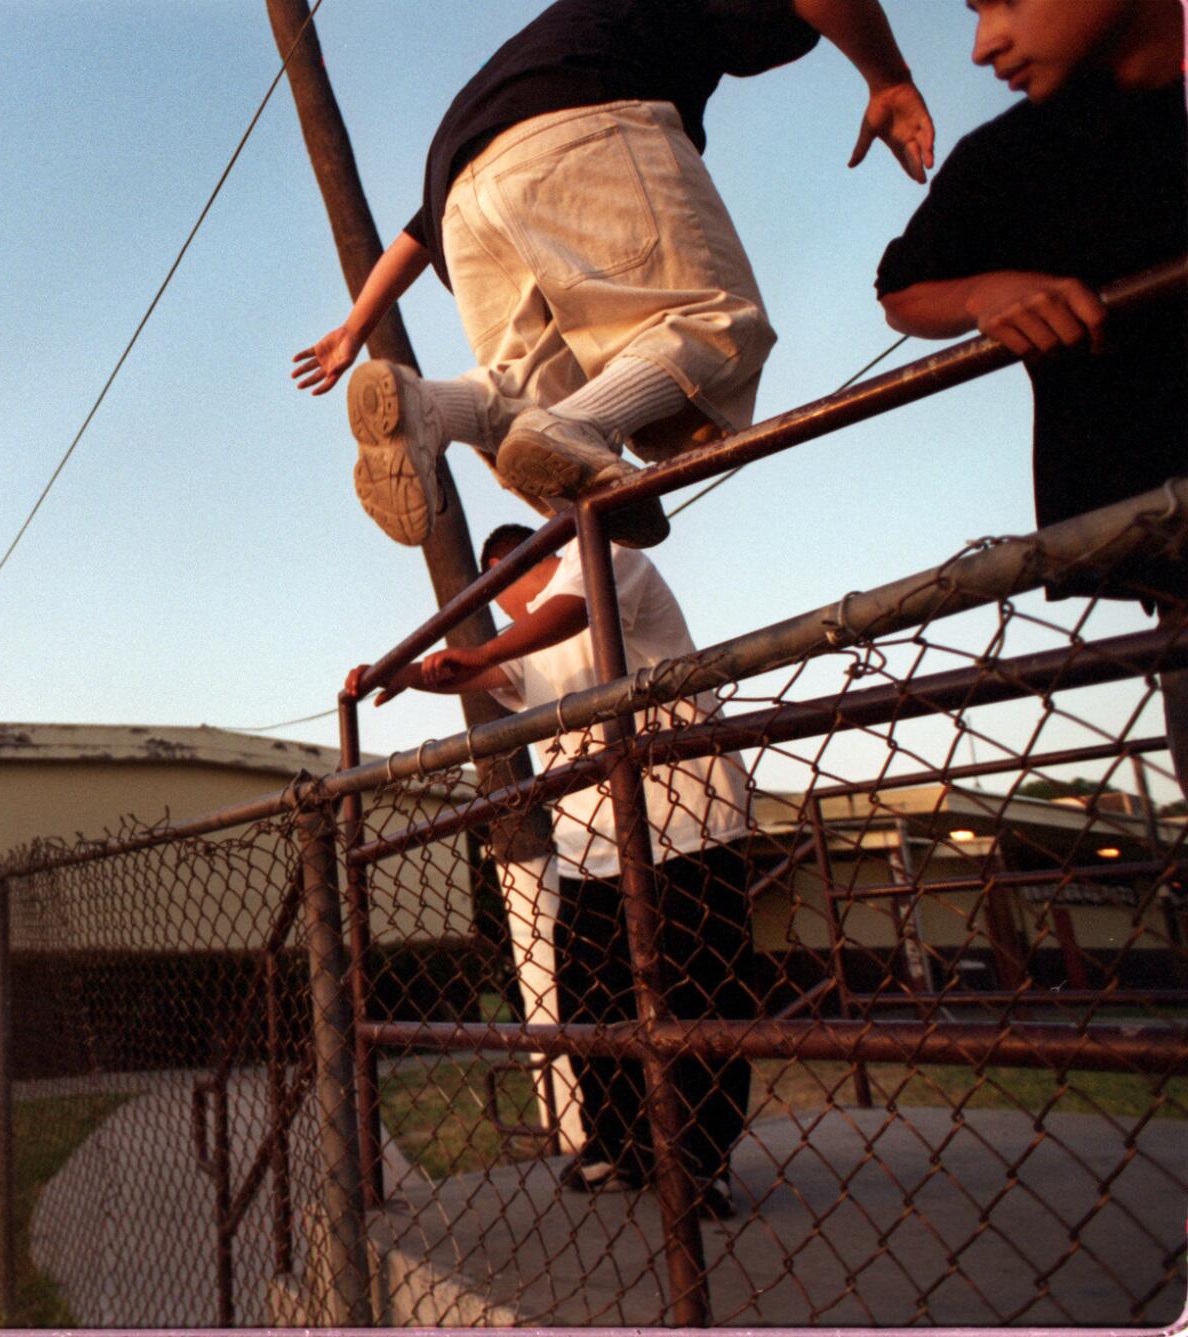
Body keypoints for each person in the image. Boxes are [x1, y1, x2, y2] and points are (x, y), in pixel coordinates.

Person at [295, 0, 934, 550]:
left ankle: (427, 406)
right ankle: (582, 427)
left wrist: (355, 327)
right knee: (713, 322)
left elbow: (417, 232)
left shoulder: (576, 32)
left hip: (460, 191)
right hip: (583, 119)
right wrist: (889, 80)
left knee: (532, 396)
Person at [353, 523, 756, 1215]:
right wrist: (397, 674)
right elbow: (471, 671)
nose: (501, 608)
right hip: (593, 844)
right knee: (591, 998)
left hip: (687, 822)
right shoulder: (526, 649)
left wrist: (480, 646)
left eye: (501, 588)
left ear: (530, 561)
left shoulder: (610, 556)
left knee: (698, 992)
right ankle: (621, 1146)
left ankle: (702, 1160)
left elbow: (557, 616)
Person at [872, 0, 1187, 773]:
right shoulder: (1013, 157)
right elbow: (901, 288)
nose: (984, 45)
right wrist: (983, 294)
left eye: (1006, 1)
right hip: (1173, 558)